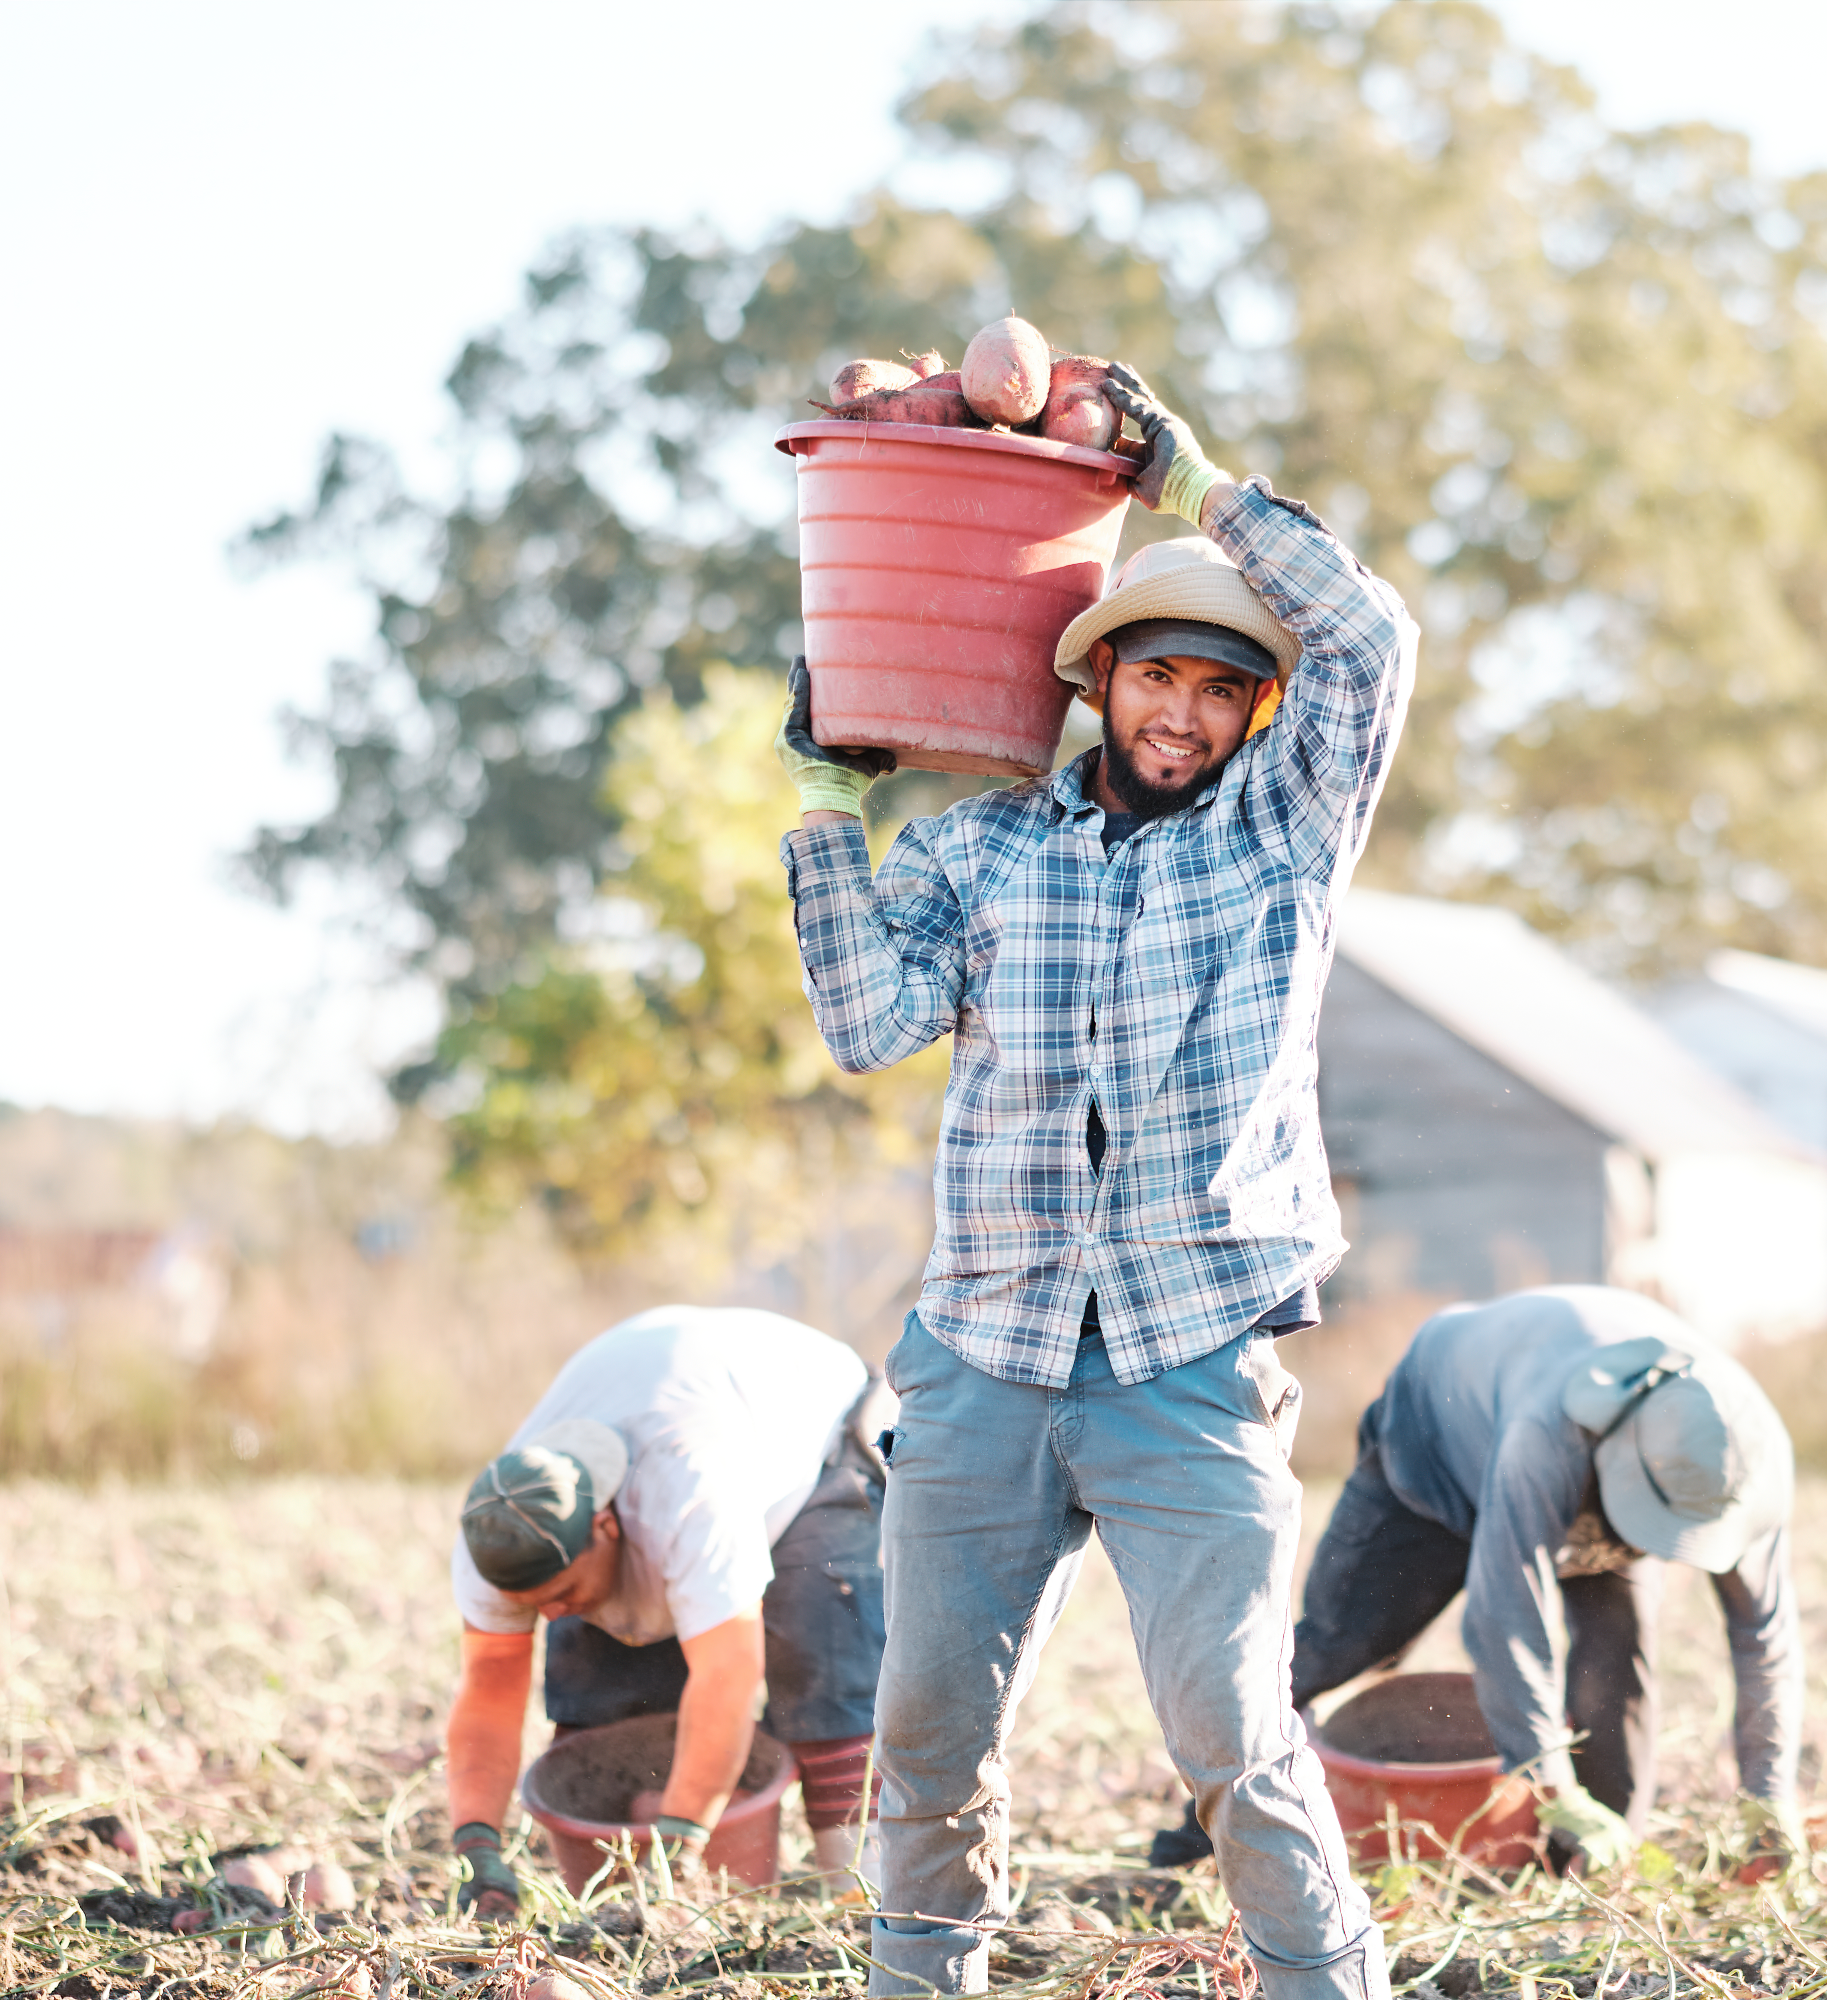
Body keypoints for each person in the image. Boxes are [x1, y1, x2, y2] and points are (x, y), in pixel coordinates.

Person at [775, 362, 1417, 2000]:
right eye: (1160, 677)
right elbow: (868, 1021)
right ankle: (926, 1979)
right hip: (981, 1355)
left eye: (1222, 689)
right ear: (1103, 678)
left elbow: (1376, 644)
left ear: (1255, 713)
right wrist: (829, 812)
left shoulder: (1279, 833)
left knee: (1228, 1729)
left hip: (1184, 1358)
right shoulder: (980, 850)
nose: (1186, 715)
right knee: (928, 1734)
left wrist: (1198, 490)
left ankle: (1326, 1982)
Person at [1148, 1285, 1801, 1877]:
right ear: (1621, 1462)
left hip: (1589, 1447)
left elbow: (1764, 1643)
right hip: (1437, 1433)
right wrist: (1553, 1787)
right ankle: (1202, 1838)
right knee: (1345, 1639)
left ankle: (1595, 1867)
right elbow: (1505, 1623)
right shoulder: (1548, 1435)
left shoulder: (1741, 1464)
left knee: (1617, 1654)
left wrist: (1772, 1798)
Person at [442, 1304, 891, 1917]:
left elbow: (728, 1675)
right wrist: (476, 1846)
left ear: (604, 1525)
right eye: (531, 1604)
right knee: (605, 1708)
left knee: (822, 1671)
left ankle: (863, 1896)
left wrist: (677, 1849)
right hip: (658, 1391)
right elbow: (489, 1697)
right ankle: (616, 1897)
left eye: (560, 1593)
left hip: (810, 1434)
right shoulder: (495, 1542)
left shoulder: (686, 1497)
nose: (547, 1615)